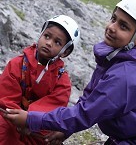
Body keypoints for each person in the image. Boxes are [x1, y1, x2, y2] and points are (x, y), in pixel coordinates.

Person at [5, 0, 136, 145]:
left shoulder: (126, 76)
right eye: (113, 19)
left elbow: (86, 113)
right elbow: (90, 96)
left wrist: (31, 120)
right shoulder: (126, 57)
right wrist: (67, 128)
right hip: (133, 137)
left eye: (123, 26)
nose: (111, 27)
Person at [0, 15, 80, 145]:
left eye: (57, 42)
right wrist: (19, 120)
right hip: (10, 119)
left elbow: (52, 108)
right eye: (47, 36)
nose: (49, 43)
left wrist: (29, 121)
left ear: (65, 52)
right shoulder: (18, 64)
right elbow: (6, 98)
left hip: (36, 128)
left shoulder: (62, 81)